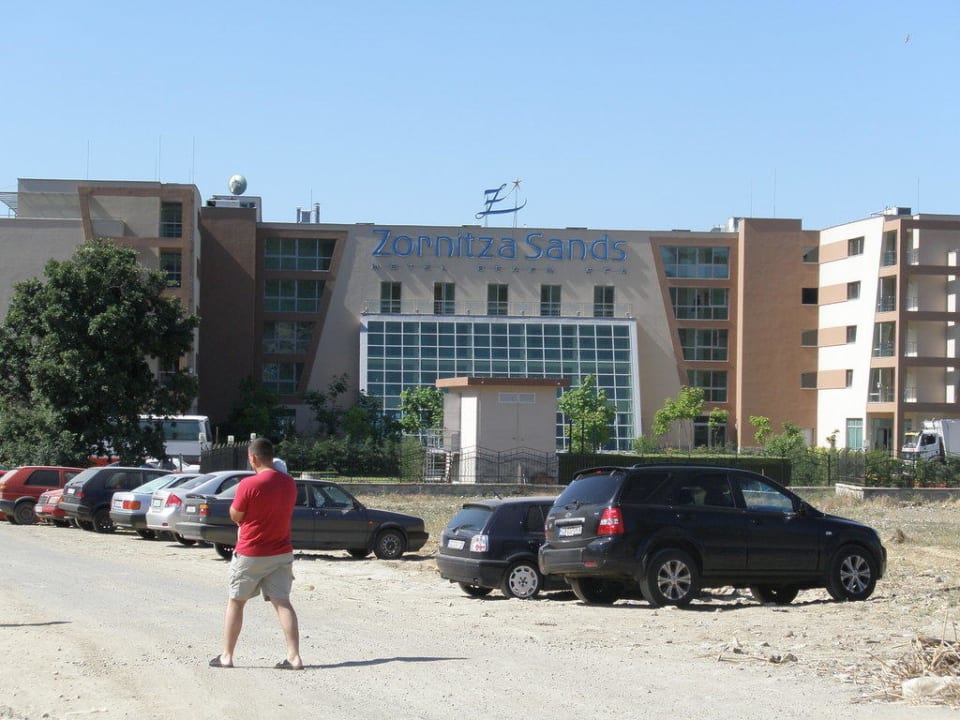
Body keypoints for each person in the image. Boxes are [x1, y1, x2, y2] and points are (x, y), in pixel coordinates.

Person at [210, 437, 304, 670]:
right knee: (282, 602)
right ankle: (294, 657)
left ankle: (227, 656)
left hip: (251, 552)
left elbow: (236, 514)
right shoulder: (289, 483)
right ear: (271, 456)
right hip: (281, 551)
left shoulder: (248, 484)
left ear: (253, 458)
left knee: (236, 602)